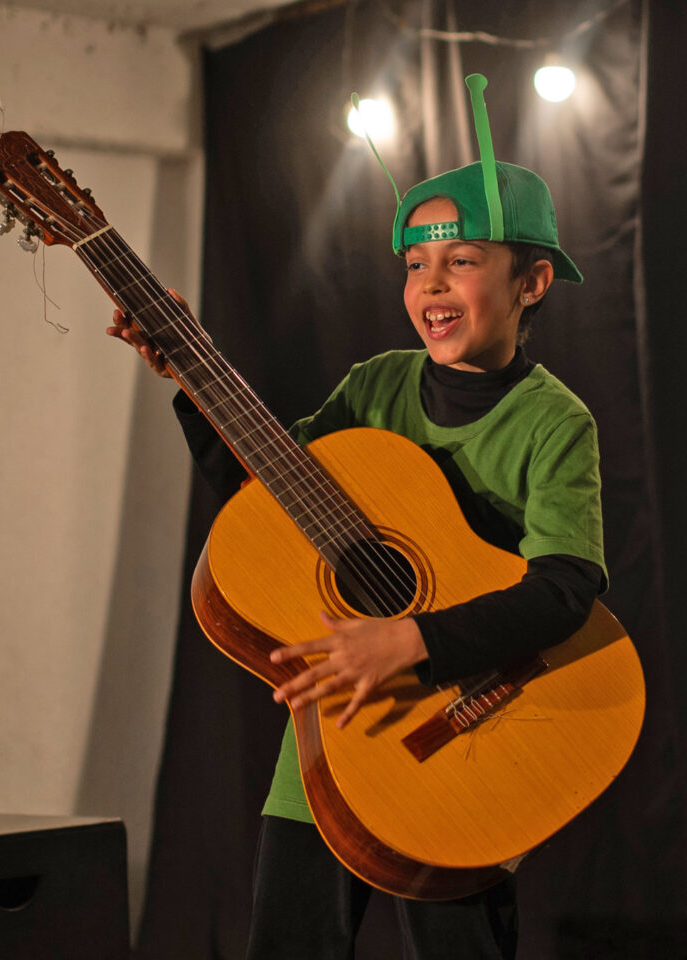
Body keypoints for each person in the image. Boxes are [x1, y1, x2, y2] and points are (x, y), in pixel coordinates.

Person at [106, 84, 606, 960]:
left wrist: (409, 639)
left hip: (472, 734)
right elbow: (265, 501)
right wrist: (192, 381)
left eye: (462, 260)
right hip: (330, 740)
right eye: (415, 264)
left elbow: (566, 591)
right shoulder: (375, 386)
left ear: (532, 282)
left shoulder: (555, 422)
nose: (431, 283)